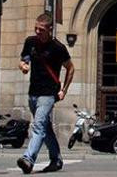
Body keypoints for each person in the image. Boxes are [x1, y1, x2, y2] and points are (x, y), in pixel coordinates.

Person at [18, 12, 74, 174]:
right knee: (45, 127)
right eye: (36, 28)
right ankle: (56, 159)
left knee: (38, 126)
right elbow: (23, 60)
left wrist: (64, 90)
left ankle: (28, 159)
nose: (37, 32)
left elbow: (70, 68)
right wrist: (23, 66)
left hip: (48, 94)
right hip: (33, 93)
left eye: (41, 29)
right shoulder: (30, 42)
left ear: (50, 29)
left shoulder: (58, 48)